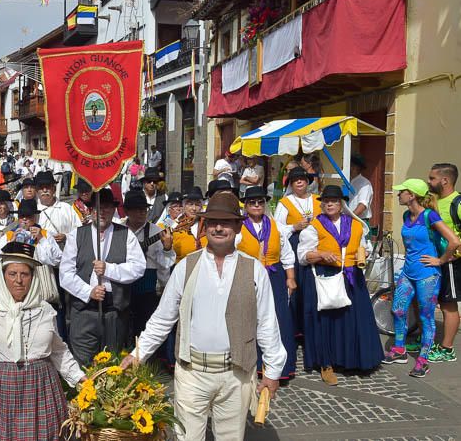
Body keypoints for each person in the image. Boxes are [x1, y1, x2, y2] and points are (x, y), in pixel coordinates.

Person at [121, 191, 286, 441]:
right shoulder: (186, 266)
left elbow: (266, 324)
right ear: (204, 226)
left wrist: (273, 371)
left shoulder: (255, 270)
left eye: (226, 222)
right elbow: (163, 318)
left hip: (237, 374)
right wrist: (138, 354)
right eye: (212, 222)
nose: (218, 228)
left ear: (237, 226)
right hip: (192, 372)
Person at [0, 241, 85, 440]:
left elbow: (58, 350)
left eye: (25, 274)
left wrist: (79, 378)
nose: (19, 280)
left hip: (40, 385)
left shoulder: (45, 311)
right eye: (12, 274)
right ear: (2, 276)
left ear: (33, 277)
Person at [297, 185, 383, 385]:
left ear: (341, 204)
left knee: (352, 319)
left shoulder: (355, 225)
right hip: (326, 276)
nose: (330, 204)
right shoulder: (314, 227)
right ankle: (326, 364)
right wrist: (320, 254)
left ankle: (353, 360)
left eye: (334, 201)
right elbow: (303, 255)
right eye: (326, 201)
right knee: (327, 321)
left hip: (352, 276)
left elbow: (365, 246)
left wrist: (365, 253)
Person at [383, 179, 461, 377]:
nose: (398, 194)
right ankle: (400, 350)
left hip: (428, 275)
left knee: (426, 317)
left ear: (413, 195)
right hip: (408, 272)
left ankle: (423, 360)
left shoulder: (430, 216)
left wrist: (440, 260)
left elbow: (454, 241)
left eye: (402, 191)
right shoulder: (407, 215)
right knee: (398, 309)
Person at [60, 188, 145, 364]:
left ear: (113, 210)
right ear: (90, 210)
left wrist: (109, 270)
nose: (102, 212)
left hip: (114, 311)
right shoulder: (77, 235)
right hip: (84, 311)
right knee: (83, 363)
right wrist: (87, 291)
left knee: (112, 363)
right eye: (98, 207)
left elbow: (138, 267)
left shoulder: (126, 234)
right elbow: (65, 274)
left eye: (106, 207)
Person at [237, 186, 297, 380]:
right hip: (247, 276)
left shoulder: (275, 226)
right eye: (252, 202)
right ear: (245, 206)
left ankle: (280, 366)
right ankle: (251, 363)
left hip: (274, 276)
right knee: (248, 319)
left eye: (260, 202)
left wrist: (290, 277)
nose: (256, 205)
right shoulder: (239, 227)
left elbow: (287, 254)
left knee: (278, 319)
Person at [120, 190, 175, 346]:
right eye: (137, 209)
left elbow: (164, 265)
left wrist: (167, 248)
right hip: (122, 285)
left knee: (144, 327)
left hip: (146, 285)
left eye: (144, 209)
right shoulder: (118, 229)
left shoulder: (156, 231)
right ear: (127, 211)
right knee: (122, 327)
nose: (141, 213)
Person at [274, 166, 321, 337]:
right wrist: (294, 226)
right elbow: (277, 227)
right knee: (296, 286)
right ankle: (295, 328)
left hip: (315, 246)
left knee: (313, 287)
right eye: (295, 180)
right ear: (291, 184)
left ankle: (312, 326)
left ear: (307, 181)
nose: (299, 182)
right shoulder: (285, 203)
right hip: (294, 244)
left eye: (301, 178)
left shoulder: (318, 200)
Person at [426, 163, 461, 362]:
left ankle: (447, 349)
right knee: (440, 302)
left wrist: (457, 254)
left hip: (451, 263)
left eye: (432, 178)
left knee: (449, 305)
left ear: (444, 180)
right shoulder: (437, 201)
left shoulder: (458, 202)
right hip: (437, 260)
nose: (429, 181)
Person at [35, 171, 81, 248]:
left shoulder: (66, 208)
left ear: (54, 189)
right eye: (41, 187)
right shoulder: (33, 212)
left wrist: (66, 237)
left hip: (65, 254)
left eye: (48, 187)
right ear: (37, 191)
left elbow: (79, 231)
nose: (45, 190)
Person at [171, 187, 208, 262]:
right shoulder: (175, 226)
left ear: (201, 207)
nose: (194, 208)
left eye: (197, 205)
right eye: (190, 204)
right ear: (184, 206)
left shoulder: (208, 225)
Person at [347, 154, 373, 223]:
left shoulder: (365, 184)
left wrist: (348, 219)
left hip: (359, 221)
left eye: (349, 165)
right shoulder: (347, 182)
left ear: (355, 167)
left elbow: (362, 205)